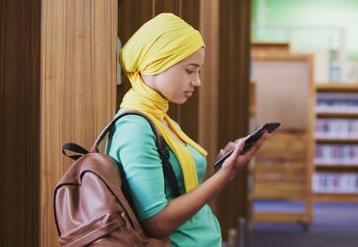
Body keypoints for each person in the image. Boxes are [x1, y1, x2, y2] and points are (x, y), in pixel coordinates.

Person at [105, 13, 270, 247]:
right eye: (190, 70)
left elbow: (184, 197)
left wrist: (227, 168)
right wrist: (225, 174)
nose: (197, 81)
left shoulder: (161, 119)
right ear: (156, 64)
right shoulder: (135, 128)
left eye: (199, 71)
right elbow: (157, 222)